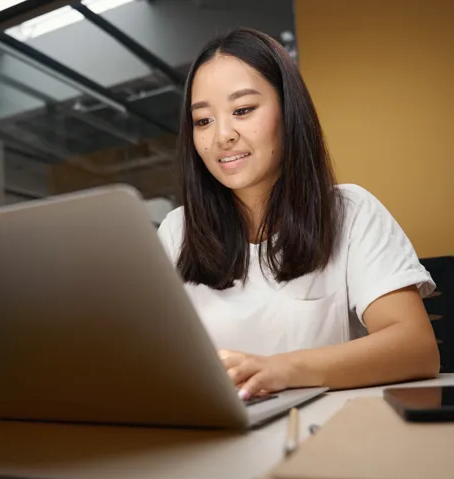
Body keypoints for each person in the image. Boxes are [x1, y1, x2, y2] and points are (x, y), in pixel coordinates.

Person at [157, 27, 439, 400]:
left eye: (243, 110)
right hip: (219, 434)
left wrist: (280, 369)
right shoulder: (178, 230)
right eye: (203, 120)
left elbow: (416, 348)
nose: (221, 136)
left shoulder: (350, 211)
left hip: (326, 433)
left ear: (289, 113)